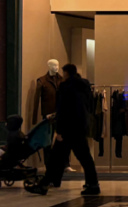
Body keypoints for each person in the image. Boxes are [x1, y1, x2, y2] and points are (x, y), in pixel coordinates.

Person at [25, 64, 100, 196]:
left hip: (68, 129)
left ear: (65, 73)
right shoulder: (85, 87)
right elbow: (89, 107)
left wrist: (59, 130)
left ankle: (44, 185)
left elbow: (63, 110)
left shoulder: (66, 88)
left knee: (56, 157)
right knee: (84, 157)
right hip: (80, 126)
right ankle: (92, 184)